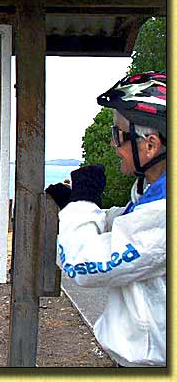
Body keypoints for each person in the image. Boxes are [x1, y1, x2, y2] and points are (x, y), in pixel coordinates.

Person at [46, 71, 166, 367]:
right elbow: (128, 223)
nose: (113, 145)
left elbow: (84, 265)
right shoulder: (153, 191)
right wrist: (76, 205)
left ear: (149, 145)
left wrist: (83, 203)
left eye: (118, 136)